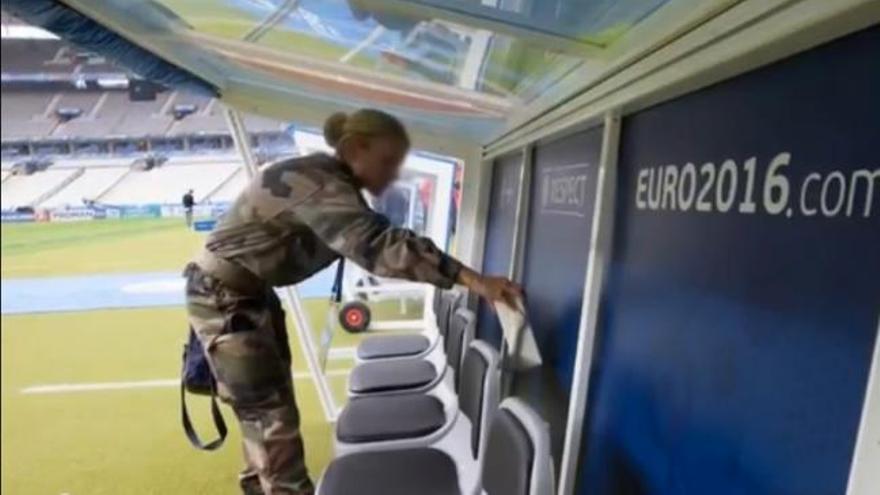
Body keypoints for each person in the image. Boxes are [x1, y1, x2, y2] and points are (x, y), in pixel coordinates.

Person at [183, 108, 521, 495]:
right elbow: (379, 245)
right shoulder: (319, 182)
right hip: (227, 299)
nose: (393, 174)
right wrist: (476, 281)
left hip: (242, 296)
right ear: (352, 148)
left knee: (265, 417)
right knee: (269, 419)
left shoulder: (329, 179)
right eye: (387, 161)